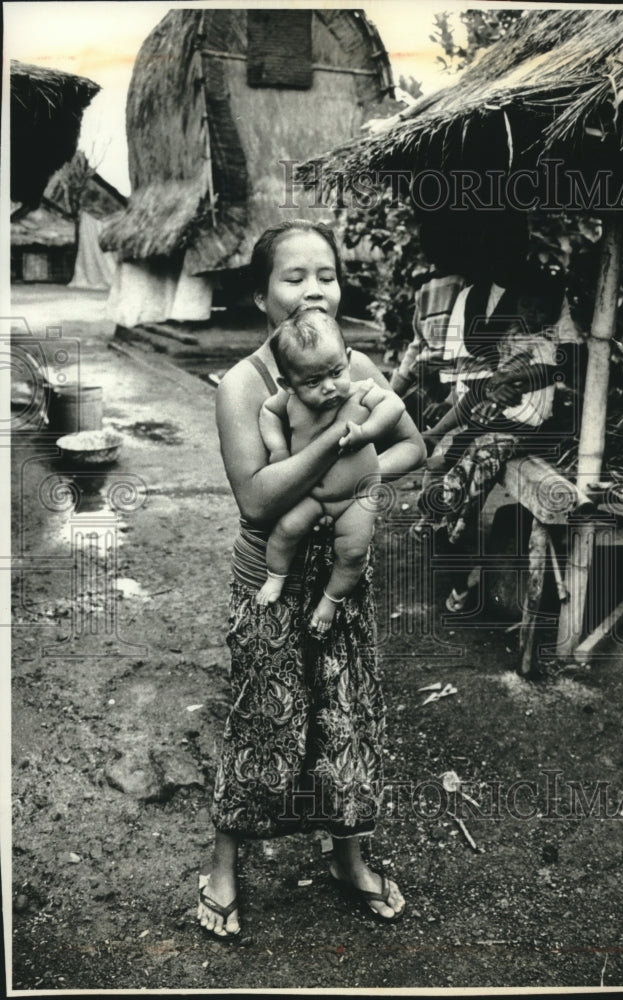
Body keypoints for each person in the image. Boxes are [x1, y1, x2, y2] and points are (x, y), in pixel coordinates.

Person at [198, 219, 426, 937]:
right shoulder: (244, 384)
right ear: (262, 293)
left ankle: (348, 859)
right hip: (268, 578)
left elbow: (412, 446)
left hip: (341, 582)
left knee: (345, 721)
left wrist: (352, 487)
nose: (311, 291)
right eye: (292, 278)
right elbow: (258, 498)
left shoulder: (352, 364)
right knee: (260, 723)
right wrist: (336, 442)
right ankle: (223, 868)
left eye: (324, 274)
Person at [415, 259, 584, 613]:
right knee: (463, 442)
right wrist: (494, 383)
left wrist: (519, 378)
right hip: (489, 406)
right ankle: (453, 553)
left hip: (523, 421)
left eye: (541, 310)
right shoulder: (471, 299)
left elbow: (556, 366)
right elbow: (465, 371)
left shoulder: (548, 336)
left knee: (479, 453)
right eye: (526, 307)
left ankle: (451, 508)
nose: (532, 314)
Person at [256, 309, 406, 636]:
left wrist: (367, 433)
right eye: (312, 381)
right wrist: (278, 449)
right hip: (313, 495)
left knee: (353, 551)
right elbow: (267, 411)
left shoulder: (359, 390)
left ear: (348, 359)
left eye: (336, 372)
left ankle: (331, 600)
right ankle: (276, 576)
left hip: (357, 495)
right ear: (288, 383)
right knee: (284, 531)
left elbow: (394, 406)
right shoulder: (289, 402)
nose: (328, 387)